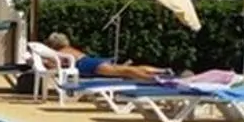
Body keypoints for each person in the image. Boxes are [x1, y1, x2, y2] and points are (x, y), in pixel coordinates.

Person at [43, 32, 175, 82]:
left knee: (125, 71)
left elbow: (55, 65)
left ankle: (157, 78)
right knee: (124, 69)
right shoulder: (70, 49)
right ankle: (161, 71)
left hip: (89, 66)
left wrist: (43, 62)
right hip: (91, 61)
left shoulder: (59, 53)